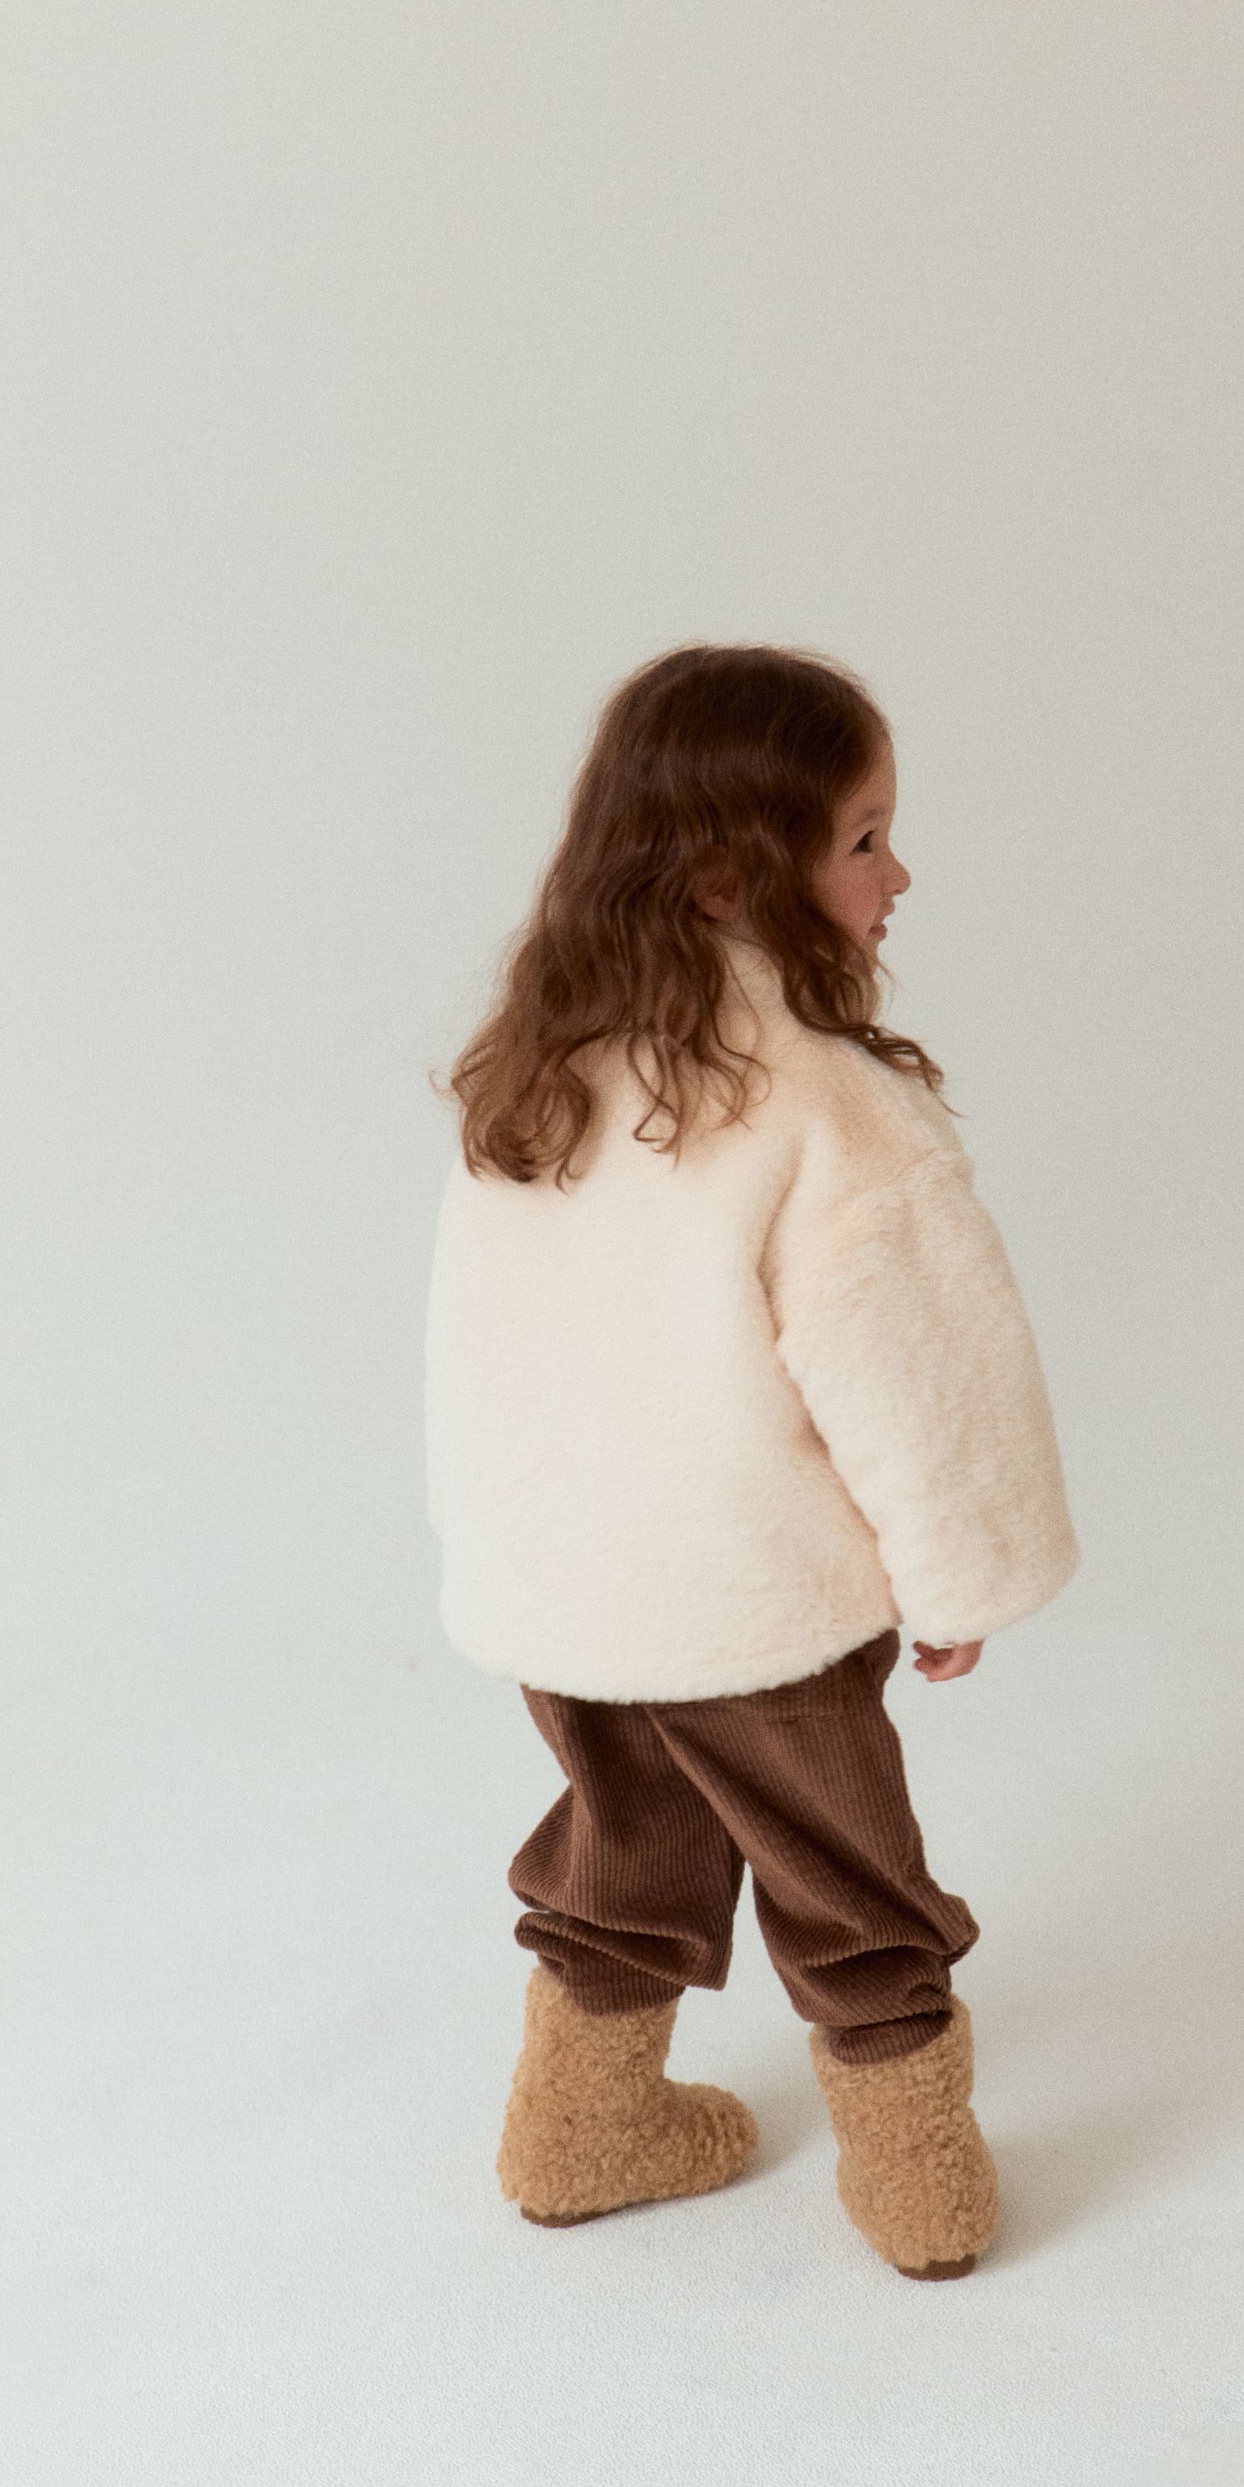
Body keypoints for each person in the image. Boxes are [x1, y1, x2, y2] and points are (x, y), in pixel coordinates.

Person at [423, 642, 1081, 2277]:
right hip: (755, 1607)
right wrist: (955, 1578)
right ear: (732, 873)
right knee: (852, 1885)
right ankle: (920, 2191)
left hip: (574, 1600)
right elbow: (925, 1384)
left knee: (622, 1851)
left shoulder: (539, 1078)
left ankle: (580, 2129)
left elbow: (488, 1354)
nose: (897, 874)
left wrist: (514, 1556)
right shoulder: (829, 1115)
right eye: (863, 839)